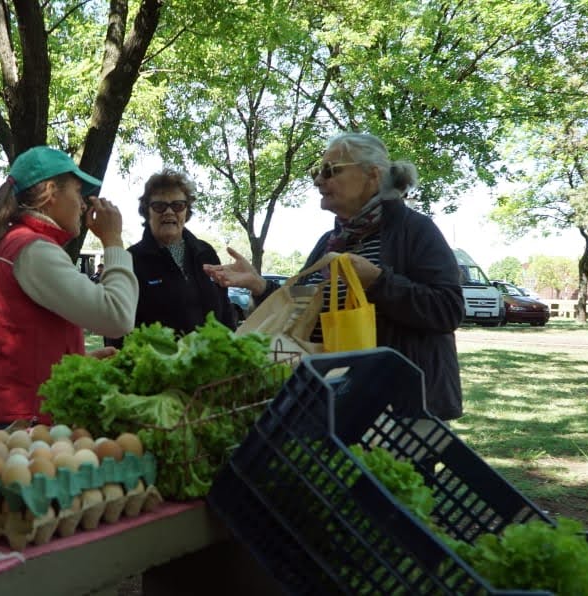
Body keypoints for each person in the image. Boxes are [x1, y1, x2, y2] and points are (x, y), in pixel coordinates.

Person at [205, 132, 465, 421]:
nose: (318, 180)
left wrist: (378, 282)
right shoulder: (330, 242)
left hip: (402, 412)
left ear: (373, 175)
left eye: (330, 171)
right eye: (318, 171)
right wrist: (261, 286)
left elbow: (449, 309)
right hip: (339, 407)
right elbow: (306, 311)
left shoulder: (416, 230)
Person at [0, 146, 138, 427]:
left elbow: (24, 341)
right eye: (78, 193)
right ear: (50, 192)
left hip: (14, 421)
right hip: (24, 427)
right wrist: (113, 240)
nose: (83, 205)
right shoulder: (33, 249)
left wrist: (73, 362)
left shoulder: (18, 242)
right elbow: (117, 317)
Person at [106, 170, 235, 348]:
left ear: (186, 212)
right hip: (157, 369)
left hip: (213, 367)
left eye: (178, 205)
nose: (169, 212)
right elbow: (115, 326)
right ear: (147, 212)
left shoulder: (206, 252)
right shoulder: (130, 260)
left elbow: (225, 310)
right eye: (159, 206)